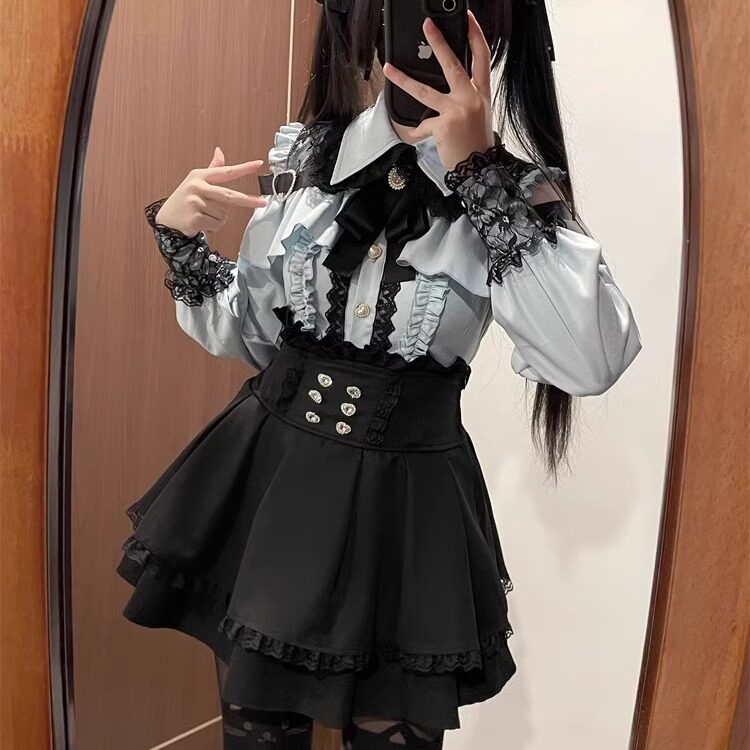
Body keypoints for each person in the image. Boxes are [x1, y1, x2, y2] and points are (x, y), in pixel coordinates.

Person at [116, 1, 642, 748]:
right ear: (363, 22)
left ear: (498, 30)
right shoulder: (307, 162)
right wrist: (182, 243)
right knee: (256, 732)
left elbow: (589, 360)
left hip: (407, 513)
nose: (426, 34)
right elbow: (256, 336)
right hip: (272, 487)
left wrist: (480, 174)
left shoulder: (515, 200)